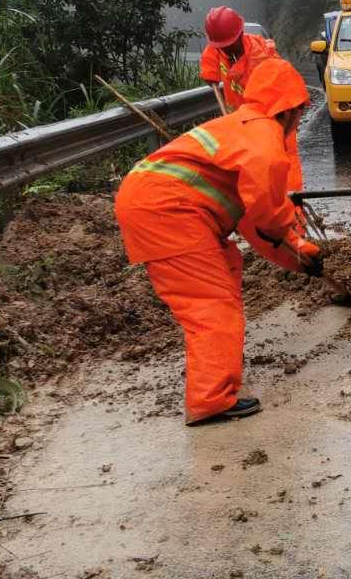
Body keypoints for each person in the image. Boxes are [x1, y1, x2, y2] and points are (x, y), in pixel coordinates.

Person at [115, 59, 323, 426]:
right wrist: (291, 238)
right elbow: (269, 217)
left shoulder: (241, 127)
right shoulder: (265, 145)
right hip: (169, 212)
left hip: (161, 205)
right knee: (212, 306)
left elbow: (253, 223)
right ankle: (210, 400)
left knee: (225, 273)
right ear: (289, 109)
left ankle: (216, 376)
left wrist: (298, 254)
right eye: (300, 110)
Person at [200, 6, 304, 196]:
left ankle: (292, 211)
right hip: (244, 121)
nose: (224, 49)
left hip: (276, 119)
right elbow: (213, 51)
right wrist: (209, 70)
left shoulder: (260, 57)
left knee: (282, 168)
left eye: (227, 44)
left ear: (240, 34)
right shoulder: (221, 47)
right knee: (249, 174)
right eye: (220, 46)